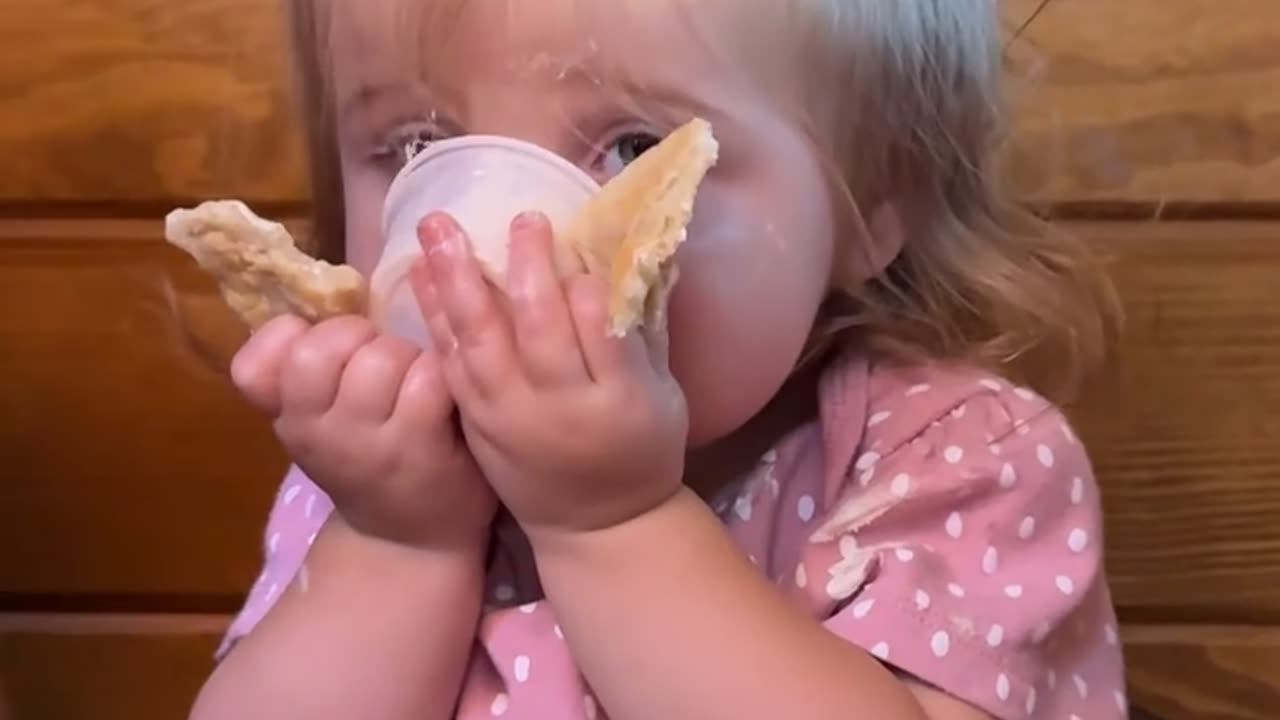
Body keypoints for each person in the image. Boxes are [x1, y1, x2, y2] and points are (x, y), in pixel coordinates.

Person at [189, 0, 1127, 718]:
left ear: (870, 204)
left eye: (632, 148)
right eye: (418, 145)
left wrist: (610, 526)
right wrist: (396, 545)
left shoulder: (958, 458)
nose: (491, 241)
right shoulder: (378, 469)